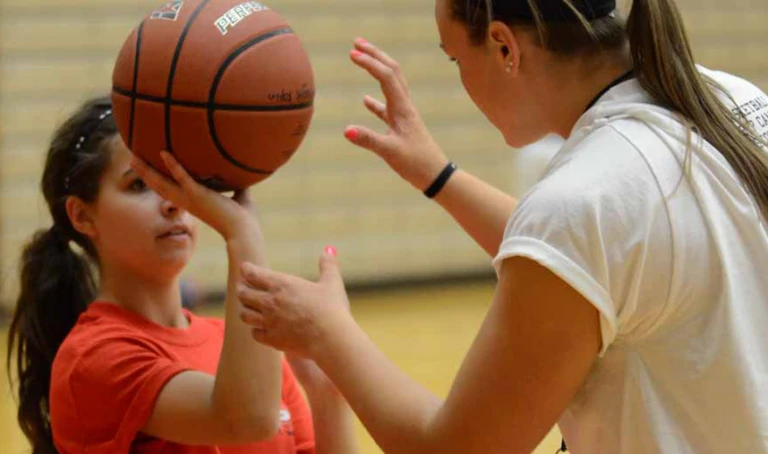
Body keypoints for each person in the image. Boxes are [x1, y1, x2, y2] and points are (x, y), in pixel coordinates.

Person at [234, 0, 768, 452]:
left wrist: (329, 334)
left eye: (454, 59)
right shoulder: (729, 97)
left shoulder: (584, 201)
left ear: (503, 46)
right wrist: (438, 176)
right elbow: (615, 261)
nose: (459, 77)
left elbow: (454, 446)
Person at [5, 96, 358, 454]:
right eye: (139, 185)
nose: (174, 202)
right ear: (82, 216)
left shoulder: (244, 344)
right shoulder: (93, 358)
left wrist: (329, 394)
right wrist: (243, 235)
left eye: (178, 181)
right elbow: (246, 419)